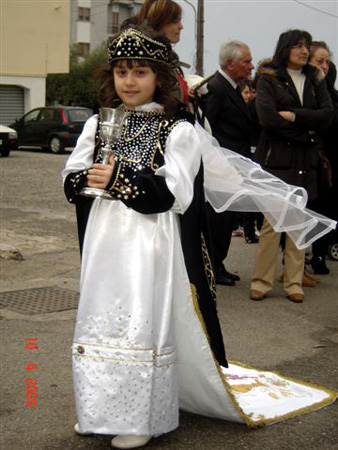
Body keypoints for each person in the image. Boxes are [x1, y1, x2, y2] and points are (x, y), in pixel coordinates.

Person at [62, 27, 336, 450]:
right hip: (105, 242)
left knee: (141, 322)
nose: (129, 82)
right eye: (120, 72)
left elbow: (176, 193)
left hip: (150, 243)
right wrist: (89, 179)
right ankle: (98, 408)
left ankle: (140, 415)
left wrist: (121, 179)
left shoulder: (180, 130)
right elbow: (71, 177)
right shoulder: (99, 123)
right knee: (100, 319)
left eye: (139, 72)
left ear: (160, 78)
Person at [250, 30, 333, 303]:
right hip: (276, 160)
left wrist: (295, 116)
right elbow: (268, 119)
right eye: (298, 45)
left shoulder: (315, 78)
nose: (304, 50)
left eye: (307, 46)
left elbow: (327, 115)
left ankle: (293, 283)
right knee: (272, 224)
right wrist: (306, 130)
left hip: (306, 162)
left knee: (298, 223)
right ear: (285, 48)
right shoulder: (269, 77)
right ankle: (261, 282)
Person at [205, 40, 254, 286]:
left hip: (232, 166)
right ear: (230, 63)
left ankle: (218, 263)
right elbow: (207, 128)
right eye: (246, 62)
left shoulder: (232, 86)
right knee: (219, 221)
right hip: (221, 167)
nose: (251, 66)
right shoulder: (216, 87)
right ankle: (213, 265)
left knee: (226, 220)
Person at [308, 41, 338, 274]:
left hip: (331, 157)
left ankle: (319, 254)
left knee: (327, 209)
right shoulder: (305, 88)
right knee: (309, 208)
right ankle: (297, 262)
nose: (325, 66)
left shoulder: (330, 91)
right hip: (309, 158)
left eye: (327, 61)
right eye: (320, 61)